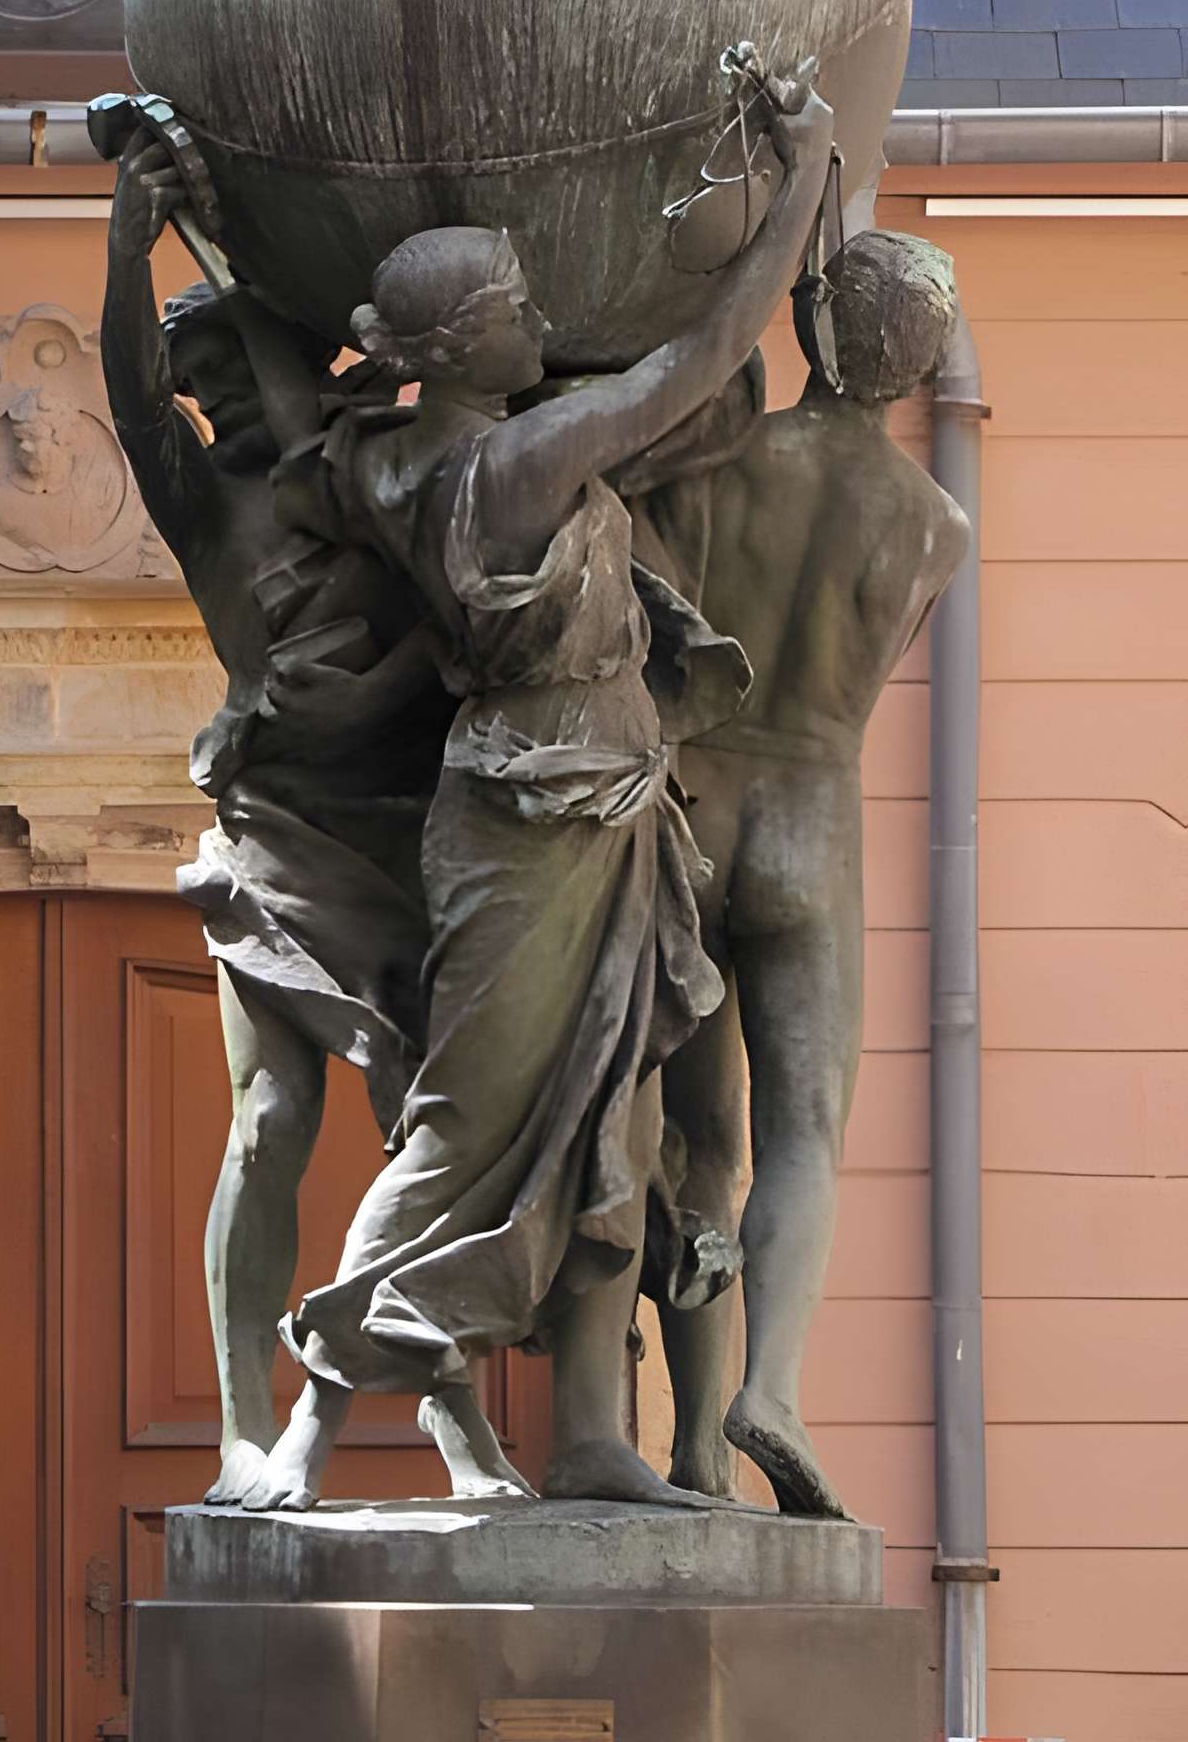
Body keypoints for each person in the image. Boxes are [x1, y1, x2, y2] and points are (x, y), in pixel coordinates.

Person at [236, 80, 834, 1513]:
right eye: (513, 304)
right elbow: (692, 362)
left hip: (601, 801)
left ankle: (584, 1437)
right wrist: (802, 169)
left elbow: (288, 391)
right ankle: (313, 1424)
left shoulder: (393, 452)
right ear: (458, 352)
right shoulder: (509, 462)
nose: (536, 315)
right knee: (470, 1126)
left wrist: (205, 230)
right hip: (532, 815)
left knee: (611, 1122)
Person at [101, 136, 473, 1504]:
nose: (211, 399)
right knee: (268, 1124)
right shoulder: (210, 503)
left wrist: (208, 231)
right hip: (276, 834)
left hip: (417, 827)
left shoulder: (366, 473)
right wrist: (130, 237)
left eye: (231, 372)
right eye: (198, 385)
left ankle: (455, 1416)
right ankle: (237, 1426)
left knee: (443, 1131)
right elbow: (127, 392)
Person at [654, 228, 969, 1517]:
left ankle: (684, 1447)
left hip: (693, 799)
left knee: (694, 1142)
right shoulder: (933, 524)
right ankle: (772, 1388)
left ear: (815, 330)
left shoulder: (726, 469)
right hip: (811, 813)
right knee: (805, 1130)